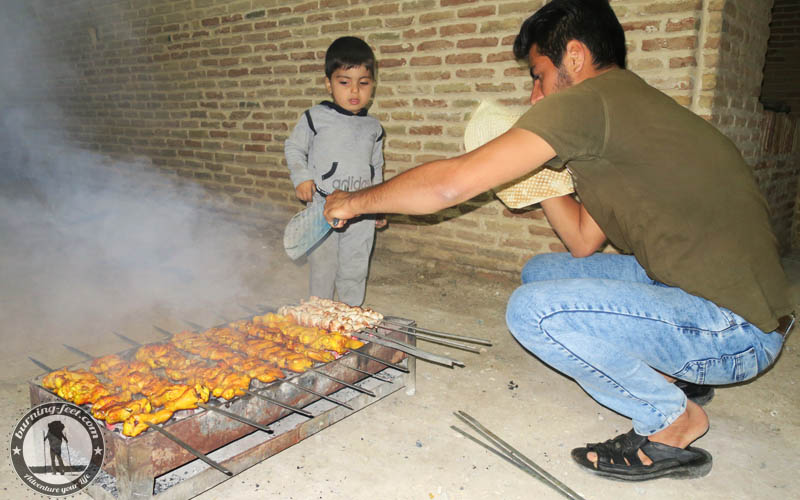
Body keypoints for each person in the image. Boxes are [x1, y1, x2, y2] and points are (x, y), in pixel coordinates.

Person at [323, 0, 793, 482]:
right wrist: (541, 181)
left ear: (573, 58)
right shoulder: (629, 108)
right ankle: (672, 376)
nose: (534, 96)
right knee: (542, 275)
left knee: (531, 310)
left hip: (735, 331)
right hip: (711, 300)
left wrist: (356, 201)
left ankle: (670, 421)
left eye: (537, 74)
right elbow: (583, 241)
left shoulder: (588, 102)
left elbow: (449, 186)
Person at [284, 36, 387, 306]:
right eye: (344, 82)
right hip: (323, 206)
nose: (354, 91)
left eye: (363, 83)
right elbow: (294, 148)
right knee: (323, 265)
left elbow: (376, 167)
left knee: (355, 266)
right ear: (328, 84)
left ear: (373, 85)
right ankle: (320, 314)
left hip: (362, 210)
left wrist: (379, 205)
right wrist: (302, 176)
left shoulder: (373, 127)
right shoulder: (314, 117)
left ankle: (350, 316)